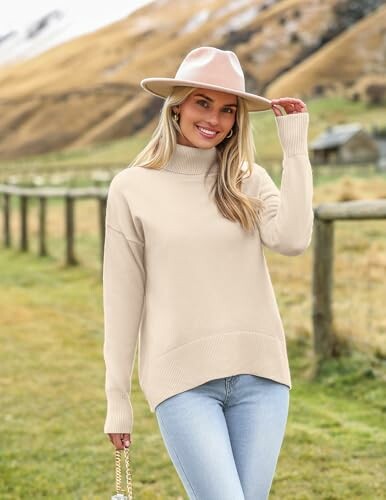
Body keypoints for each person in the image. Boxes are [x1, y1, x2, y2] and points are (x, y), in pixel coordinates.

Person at [102, 46, 313, 499]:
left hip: (262, 378)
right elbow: (122, 300)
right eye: (203, 102)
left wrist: (295, 149)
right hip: (182, 383)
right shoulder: (132, 187)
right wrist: (117, 399)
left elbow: (293, 239)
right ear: (176, 105)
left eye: (227, 110)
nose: (214, 119)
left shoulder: (248, 179)